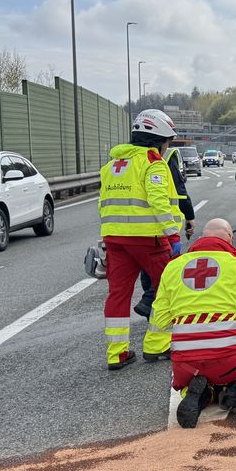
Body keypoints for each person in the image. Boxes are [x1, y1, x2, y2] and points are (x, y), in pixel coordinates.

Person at [151, 218, 236, 428]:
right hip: (231, 361)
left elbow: (160, 319)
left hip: (186, 365)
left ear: (201, 239)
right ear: (230, 238)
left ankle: (199, 393)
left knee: (197, 368)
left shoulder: (172, 267)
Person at [99, 109, 180, 370]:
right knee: (166, 291)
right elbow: (158, 201)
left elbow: (105, 204)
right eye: (167, 141)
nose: (167, 148)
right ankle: (156, 345)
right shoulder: (152, 163)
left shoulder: (112, 165)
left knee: (118, 294)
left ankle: (117, 353)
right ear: (158, 139)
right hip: (149, 240)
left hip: (115, 240)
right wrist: (173, 233)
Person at [134, 145, 195, 318]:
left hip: (132, 228)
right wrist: (189, 216)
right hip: (161, 227)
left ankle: (150, 307)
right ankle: (154, 308)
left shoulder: (127, 158)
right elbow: (179, 192)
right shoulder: (166, 156)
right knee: (167, 274)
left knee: (147, 272)